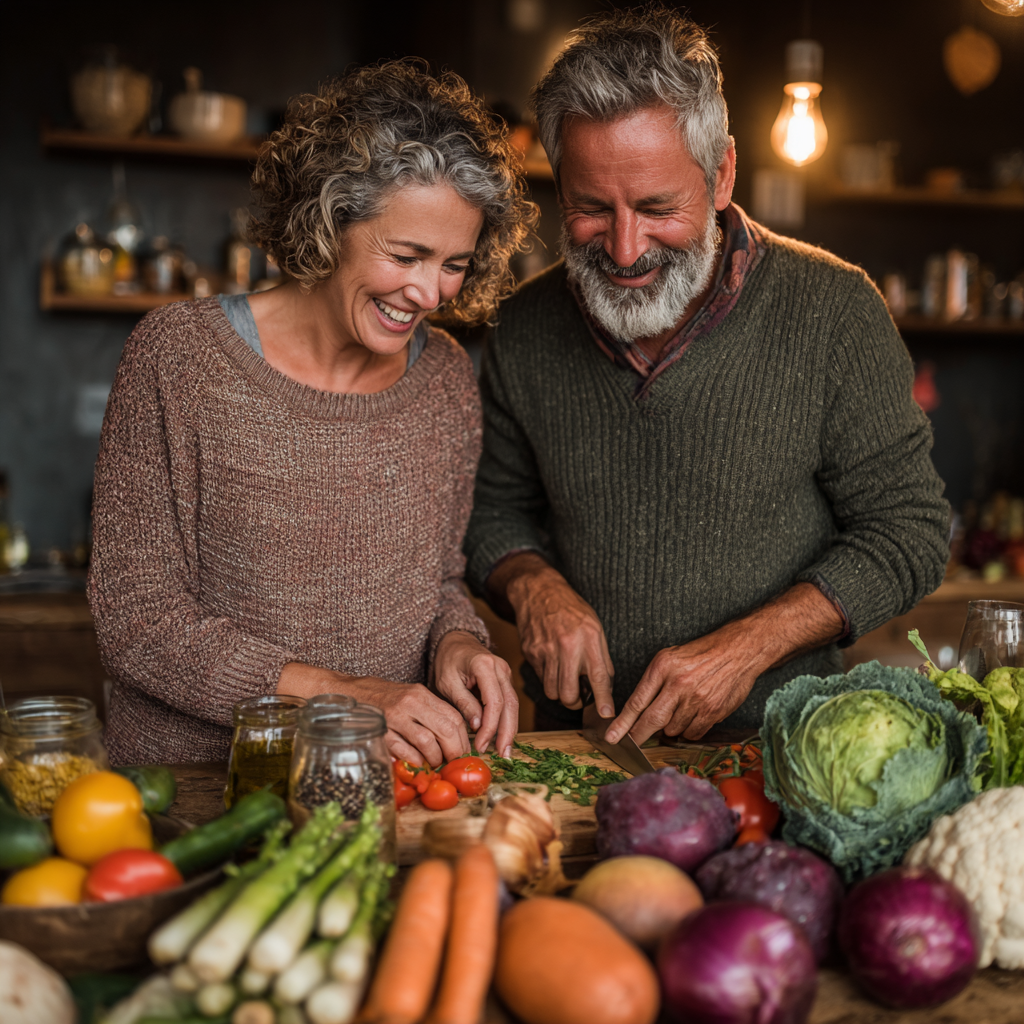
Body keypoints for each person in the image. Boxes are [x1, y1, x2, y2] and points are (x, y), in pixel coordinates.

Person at [464, 8, 950, 745]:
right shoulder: (524, 326)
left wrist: (749, 646)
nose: (625, 247)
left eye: (658, 207)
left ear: (721, 173)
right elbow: (491, 510)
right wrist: (532, 585)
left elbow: (910, 531)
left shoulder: (835, 312)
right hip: (574, 748)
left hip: (783, 751)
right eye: (592, 208)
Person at [89, 61, 536, 766]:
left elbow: (438, 579)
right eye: (407, 254)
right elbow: (136, 617)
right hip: (198, 790)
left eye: (454, 262)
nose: (429, 292)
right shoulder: (178, 357)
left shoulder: (446, 375)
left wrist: (457, 641)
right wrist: (340, 695)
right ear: (329, 221)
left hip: (376, 783)